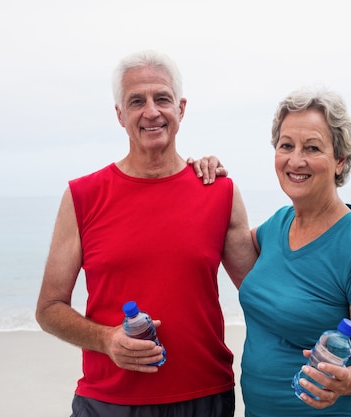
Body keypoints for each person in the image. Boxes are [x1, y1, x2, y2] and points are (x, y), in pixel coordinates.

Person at [35, 50, 257, 417]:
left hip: (204, 398)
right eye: (137, 101)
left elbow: (263, 293)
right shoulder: (83, 196)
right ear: (120, 114)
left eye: (162, 99)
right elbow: (48, 309)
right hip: (107, 402)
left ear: (181, 109)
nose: (151, 111)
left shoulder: (218, 191)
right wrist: (106, 340)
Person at [237, 87, 351, 416]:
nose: (296, 160)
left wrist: (347, 379)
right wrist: (204, 175)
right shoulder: (279, 224)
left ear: (340, 161)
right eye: (286, 146)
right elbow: (231, 242)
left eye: (312, 148)